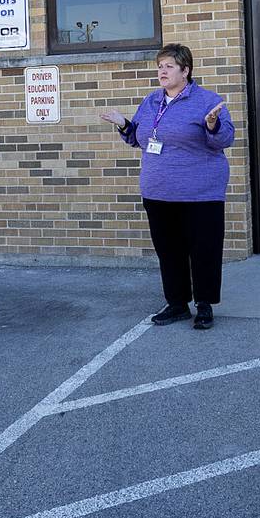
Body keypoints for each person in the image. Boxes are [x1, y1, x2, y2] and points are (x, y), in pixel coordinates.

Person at [100, 43, 234, 330]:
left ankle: (204, 305)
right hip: (158, 191)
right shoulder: (151, 102)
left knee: (204, 250)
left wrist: (212, 126)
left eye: (169, 66)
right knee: (169, 250)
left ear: (185, 71)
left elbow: (224, 140)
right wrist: (123, 124)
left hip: (200, 193)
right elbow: (139, 138)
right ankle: (176, 304)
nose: (162, 71)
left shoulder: (208, 101)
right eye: (160, 66)